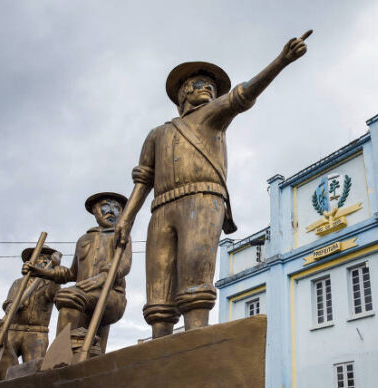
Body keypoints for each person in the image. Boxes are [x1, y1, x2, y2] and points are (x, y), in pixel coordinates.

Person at [114, 32, 310, 339]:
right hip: (161, 210)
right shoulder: (158, 134)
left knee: (195, 287)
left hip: (203, 200)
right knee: (158, 298)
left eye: (211, 86)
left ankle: (195, 346)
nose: (206, 88)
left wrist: (281, 61)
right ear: (182, 94)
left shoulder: (214, 115)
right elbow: (143, 180)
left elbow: (244, 94)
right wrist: (125, 220)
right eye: (198, 84)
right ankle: (160, 353)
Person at [25, 192, 132, 352]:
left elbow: (124, 264)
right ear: (95, 211)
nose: (112, 211)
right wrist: (41, 272)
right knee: (90, 347)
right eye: (105, 207)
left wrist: (105, 276)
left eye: (117, 208)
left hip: (111, 295)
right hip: (83, 292)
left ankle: (59, 354)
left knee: (68, 296)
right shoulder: (83, 240)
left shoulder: (122, 235)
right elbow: (71, 274)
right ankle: (70, 355)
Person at [3, 246, 62, 362]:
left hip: (37, 333)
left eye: (47, 258)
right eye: (40, 257)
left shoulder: (50, 283)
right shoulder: (19, 282)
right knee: (4, 363)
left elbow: (54, 295)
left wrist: (56, 268)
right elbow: (9, 301)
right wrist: (10, 306)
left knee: (34, 366)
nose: (44, 261)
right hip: (14, 330)